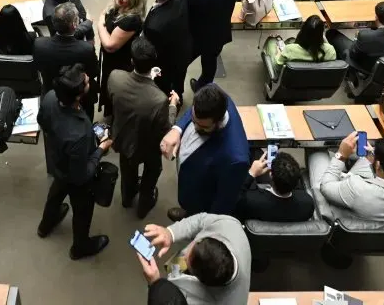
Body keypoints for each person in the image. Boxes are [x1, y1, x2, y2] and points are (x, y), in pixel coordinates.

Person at [37, 64, 113, 260]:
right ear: (78, 96)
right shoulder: (78, 134)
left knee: (56, 193)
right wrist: (100, 150)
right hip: (76, 174)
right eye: (85, 81)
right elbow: (82, 174)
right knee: (82, 210)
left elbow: (42, 121)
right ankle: (80, 246)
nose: (87, 78)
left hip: (58, 163)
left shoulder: (50, 97)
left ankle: (46, 224)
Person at [107, 37, 177, 218]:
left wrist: (148, 78)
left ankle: (127, 198)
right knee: (151, 173)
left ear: (132, 61)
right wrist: (173, 106)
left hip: (123, 138)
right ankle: (144, 205)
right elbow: (166, 127)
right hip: (148, 145)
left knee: (127, 171)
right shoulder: (159, 99)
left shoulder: (115, 77)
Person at [159, 84, 250, 221]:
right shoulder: (214, 95)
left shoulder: (236, 160)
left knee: (196, 216)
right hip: (188, 181)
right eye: (194, 121)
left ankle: (191, 217)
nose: (195, 127)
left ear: (218, 121)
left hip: (200, 200)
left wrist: (207, 226)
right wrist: (177, 129)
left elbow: (223, 204)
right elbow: (193, 111)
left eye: (202, 126)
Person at [137, 214, 251, 305]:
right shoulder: (229, 226)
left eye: (187, 262)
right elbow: (200, 221)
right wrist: (171, 233)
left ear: (199, 279)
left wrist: (156, 284)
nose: (184, 256)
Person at [318, 132, 384, 221]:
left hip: (344, 208)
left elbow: (325, 186)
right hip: (368, 205)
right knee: (364, 159)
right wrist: (371, 155)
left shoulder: (356, 187)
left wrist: (340, 155)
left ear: (378, 166)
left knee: (317, 151)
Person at [186, 0, 244, 91]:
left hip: (197, 35)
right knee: (210, 62)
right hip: (220, 32)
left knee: (181, 62)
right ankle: (203, 87)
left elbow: (188, 12)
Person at [144, 0, 193, 101]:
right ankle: (179, 95)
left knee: (165, 86)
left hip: (167, 61)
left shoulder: (154, 26)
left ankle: (171, 101)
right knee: (179, 78)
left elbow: (154, 52)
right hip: (184, 48)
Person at [235, 150, 314, 222]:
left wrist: (251, 173)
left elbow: (235, 201)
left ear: (271, 175)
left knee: (255, 153)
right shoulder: (307, 203)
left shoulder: (250, 201)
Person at [263, 15, 336, 67]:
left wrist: (279, 52)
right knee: (291, 40)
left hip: (291, 81)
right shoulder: (330, 50)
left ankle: (273, 41)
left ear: (303, 30)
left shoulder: (290, 49)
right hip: (315, 80)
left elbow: (278, 65)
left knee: (271, 41)